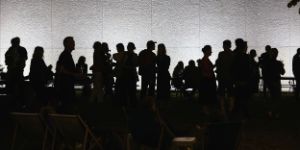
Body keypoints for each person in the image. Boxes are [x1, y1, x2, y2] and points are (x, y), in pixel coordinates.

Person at [55, 36, 82, 112]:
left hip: (67, 84)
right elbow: (61, 69)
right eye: (72, 42)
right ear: (67, 44)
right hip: (66, 85)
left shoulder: (66, 54)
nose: (74, 43)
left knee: (67, 104)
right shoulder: (65, 55)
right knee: (67, 104)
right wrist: (74, 74)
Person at [5, 37, 28, 110]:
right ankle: (21, 104)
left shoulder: (10, 50)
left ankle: (13, 104)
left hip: (14, 71)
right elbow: (23, 60)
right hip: (16, 71)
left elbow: (7, 61)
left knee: (14, 88)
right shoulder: (20, 50)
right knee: (19, 88)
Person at [231, 40, 252, 119]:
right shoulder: (246, 57)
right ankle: (245, 113)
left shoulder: (234, 55)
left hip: (237, 81)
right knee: (245, 98)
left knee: (238, 98)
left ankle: (236, 113)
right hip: (245, 81)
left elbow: (232, 69)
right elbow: (249, 70)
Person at [264, 48, 285, 118]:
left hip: (270, 82)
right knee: (277, 98)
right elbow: (283, 72)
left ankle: (270, 112)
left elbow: (265, 73)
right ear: (276, 54)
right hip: (276, 81)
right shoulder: (278, 63)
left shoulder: (267, 63)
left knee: (271, 98)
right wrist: (282, 65)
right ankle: (276, 113)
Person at [215, 40, 234, 115]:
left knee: (222, 93)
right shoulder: (232, 54)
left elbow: (219, 65)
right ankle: (230, 108)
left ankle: (223, 109)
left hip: (222, 77)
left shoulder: (221, 54)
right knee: (231, 93)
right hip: (230, 77)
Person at [199, 45, 217, 114]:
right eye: (210, 50)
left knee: (206, 96)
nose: (211, 52)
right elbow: (207, 70)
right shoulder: (205, 60)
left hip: (206, 79)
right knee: (207, 96)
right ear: (207, 51)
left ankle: (206, 111)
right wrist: (214, 66)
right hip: (207, 80)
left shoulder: (204, 59)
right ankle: (206, 111)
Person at [124, 42, 138, 107]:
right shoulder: (134, 55)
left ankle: (129, 103)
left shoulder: (125, 54)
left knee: (128, 89)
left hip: (128, 74)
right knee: (132, 90)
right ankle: (132, 103)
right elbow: (136, 64)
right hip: (131, 74)